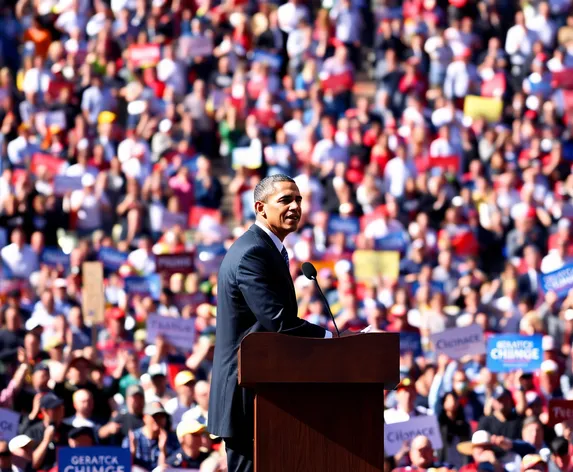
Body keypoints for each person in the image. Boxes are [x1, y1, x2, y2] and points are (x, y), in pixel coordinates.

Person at [209, 174, 332, 472]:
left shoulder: (268, 249)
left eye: (299, 200)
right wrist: (332, 340)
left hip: (265, 391)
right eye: (286, 200)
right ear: (260, 208)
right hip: (246, 392)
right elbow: (279, 323)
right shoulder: (253, 252)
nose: (295, 207)